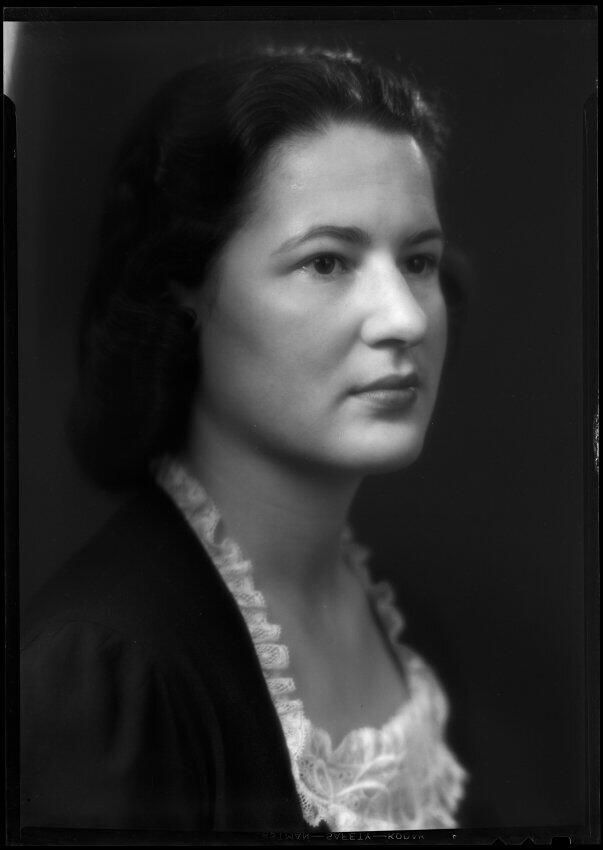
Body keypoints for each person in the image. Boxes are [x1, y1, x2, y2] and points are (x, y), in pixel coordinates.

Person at [21, 46, 470, 833]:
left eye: (418, 261)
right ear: (186, 289)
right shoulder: (108, 669)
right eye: (326, 262)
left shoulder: (410, 621)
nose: (403, 318)